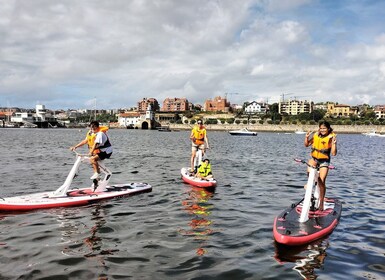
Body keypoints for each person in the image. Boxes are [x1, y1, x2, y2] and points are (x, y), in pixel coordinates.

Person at [304, 121, 337, 211]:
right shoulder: (316, 135)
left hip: (324, 161)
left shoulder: (331, 137)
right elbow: (306, 145)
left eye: (324, 128)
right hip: (314, 159)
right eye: (321, 128)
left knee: (321, 181)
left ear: (328, 129)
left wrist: (334, 143)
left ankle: (321, 202)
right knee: (309, 167)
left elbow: (333, 153)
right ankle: (310, 182)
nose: (322, 130)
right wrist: (306, 138)